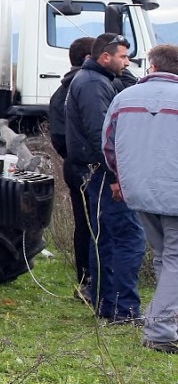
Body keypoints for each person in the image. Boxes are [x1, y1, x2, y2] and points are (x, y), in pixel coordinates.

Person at [65, 32, 145, 323]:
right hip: (102, 173)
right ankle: (123, 309)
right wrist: (115, 175)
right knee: (128, 238)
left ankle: (108, 305)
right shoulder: (92, 85)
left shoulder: (97, 81)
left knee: (107, 239)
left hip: (97, 171)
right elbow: (103, 134)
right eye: (123, 56)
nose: (127, 62)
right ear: (105, 57)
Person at [103, 43, 178, 353]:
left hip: (139, 192)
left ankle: (166, 322)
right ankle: (160, 330)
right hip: (173, 192)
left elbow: (108, 144)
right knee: (173, 260)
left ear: (153, 67)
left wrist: (124, 178)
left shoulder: (123, 98)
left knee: (165, 257)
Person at [49, 36, 97, 293]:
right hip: (87, 167)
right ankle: (92, 282)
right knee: (94, 225)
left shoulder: (61, 91)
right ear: (90, 58)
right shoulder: (87, 88)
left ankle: (87, 280)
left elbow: (57, 137)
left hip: (74, 164)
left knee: (84, 224)